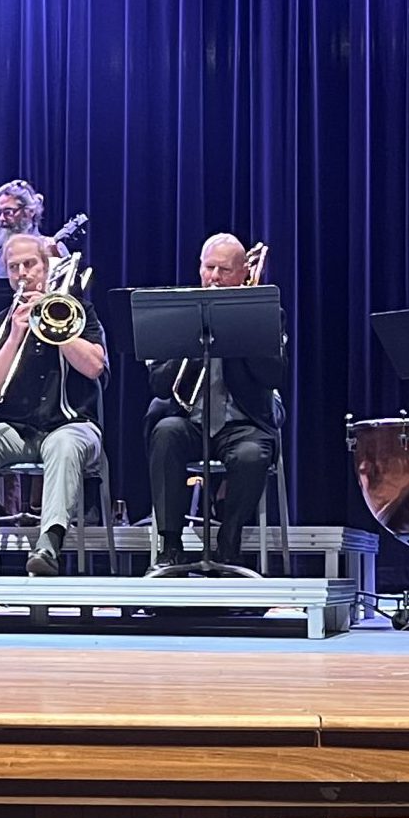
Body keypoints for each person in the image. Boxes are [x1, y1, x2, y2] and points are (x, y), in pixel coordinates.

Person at [0, 234, 107, 576]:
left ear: (47, 267)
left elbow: (95, 367)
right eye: (13, 267)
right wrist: (15, 336)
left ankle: (49, 545)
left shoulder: (79, 313)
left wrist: (56, 329)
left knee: (64, 445)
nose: (22, 274)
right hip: (19, 431)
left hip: (72, 425)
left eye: (30, 264)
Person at [141, 235, 284, 569]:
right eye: (209, 268)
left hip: (242, 422)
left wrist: (239, 331)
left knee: (252, 454)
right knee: (164, 433)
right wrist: (192, 340)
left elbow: (273, 376)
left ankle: (229, 542)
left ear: (242, 274)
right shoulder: (176, 311)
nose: (215, 277)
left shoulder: (262, 312)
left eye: (224, 270)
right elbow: (160, 385)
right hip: (189, 420)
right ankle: (170, 544)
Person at [0, 180, 72, 279]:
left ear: (30, 212)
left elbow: (70, 291)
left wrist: (55, 258)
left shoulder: (55, 249)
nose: (1, 219)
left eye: (8, 212)